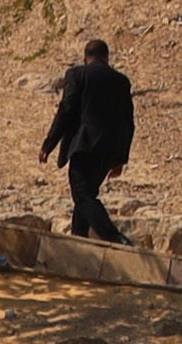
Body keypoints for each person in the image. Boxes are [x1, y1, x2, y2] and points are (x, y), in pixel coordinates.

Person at [39, 33, 134, 242]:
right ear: (106, 58)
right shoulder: (121, 81)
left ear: (85, 58)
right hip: (110, 151)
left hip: (86, 146)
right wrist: (121, 159)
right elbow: (129, 122)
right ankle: (78, 240)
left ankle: (115, 237)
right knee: (86, 196)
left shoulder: (77, 75)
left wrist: (49, 143)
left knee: (83, 195)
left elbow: (67, 110)